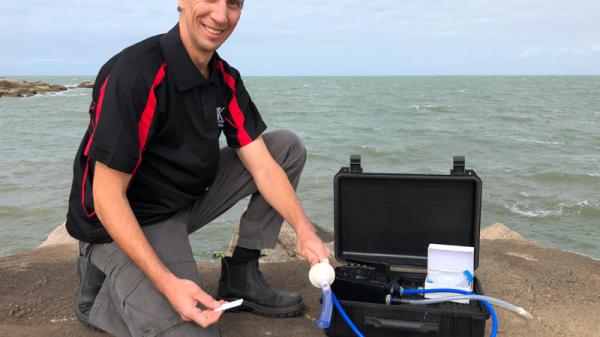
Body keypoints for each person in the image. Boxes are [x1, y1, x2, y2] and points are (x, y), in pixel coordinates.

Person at [65, 1, 331, 336]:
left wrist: (305, 232)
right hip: (117, 219)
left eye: (233, 3)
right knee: (194, 330)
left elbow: (263, 165)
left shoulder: (224, 79)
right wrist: (168, 284)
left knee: (285, 148)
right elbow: (105, 196)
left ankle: (241, 274)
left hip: (181, 202)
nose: (221, 16)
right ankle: (99, 293)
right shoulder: (137, 73)